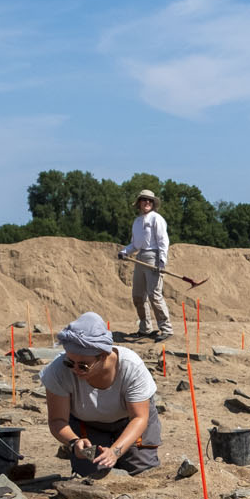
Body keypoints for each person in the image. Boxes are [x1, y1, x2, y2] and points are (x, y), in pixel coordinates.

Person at [41, 311, 162, 478]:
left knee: (141, 472)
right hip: (87, 424)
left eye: (83, 366)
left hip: (130, 422)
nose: (75, 370)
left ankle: (127, 455)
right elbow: (57, 420)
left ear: (104, 355)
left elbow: (139, 418)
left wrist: (115, 451)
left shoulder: (131, 366)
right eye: (70, 362)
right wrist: (74, 442)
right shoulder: (58, 371)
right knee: (91, 475)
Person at [117, 189, 172, 340]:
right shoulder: (137, 222)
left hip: (153, 256)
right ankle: (145, 328)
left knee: (154, 294)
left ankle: (166, 329)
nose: (147, 202)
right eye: (144, 200)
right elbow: (135, 244)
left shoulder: (157, 219)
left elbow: (163, 241)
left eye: (150, 200)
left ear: (153, 204)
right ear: (139, 203)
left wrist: (162, 260)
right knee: (138, 296)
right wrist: (124, 252)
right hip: (140, 257)